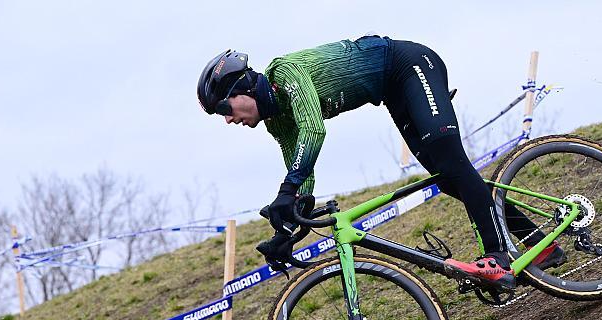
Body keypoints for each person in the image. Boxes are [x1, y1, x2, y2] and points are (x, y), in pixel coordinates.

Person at [197, 36, 565, 291]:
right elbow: (301, 169)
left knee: (452, 163)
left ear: (242, 88)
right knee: (449, 179)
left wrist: (288, 190)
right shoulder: (277, 120)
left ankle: (498, 256)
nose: (229, 120)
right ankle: (540, 244)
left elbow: (313, 131)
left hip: (409, 65)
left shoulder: (285, 74)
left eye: (224, 110)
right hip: (392, 91)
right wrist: (286, 230)